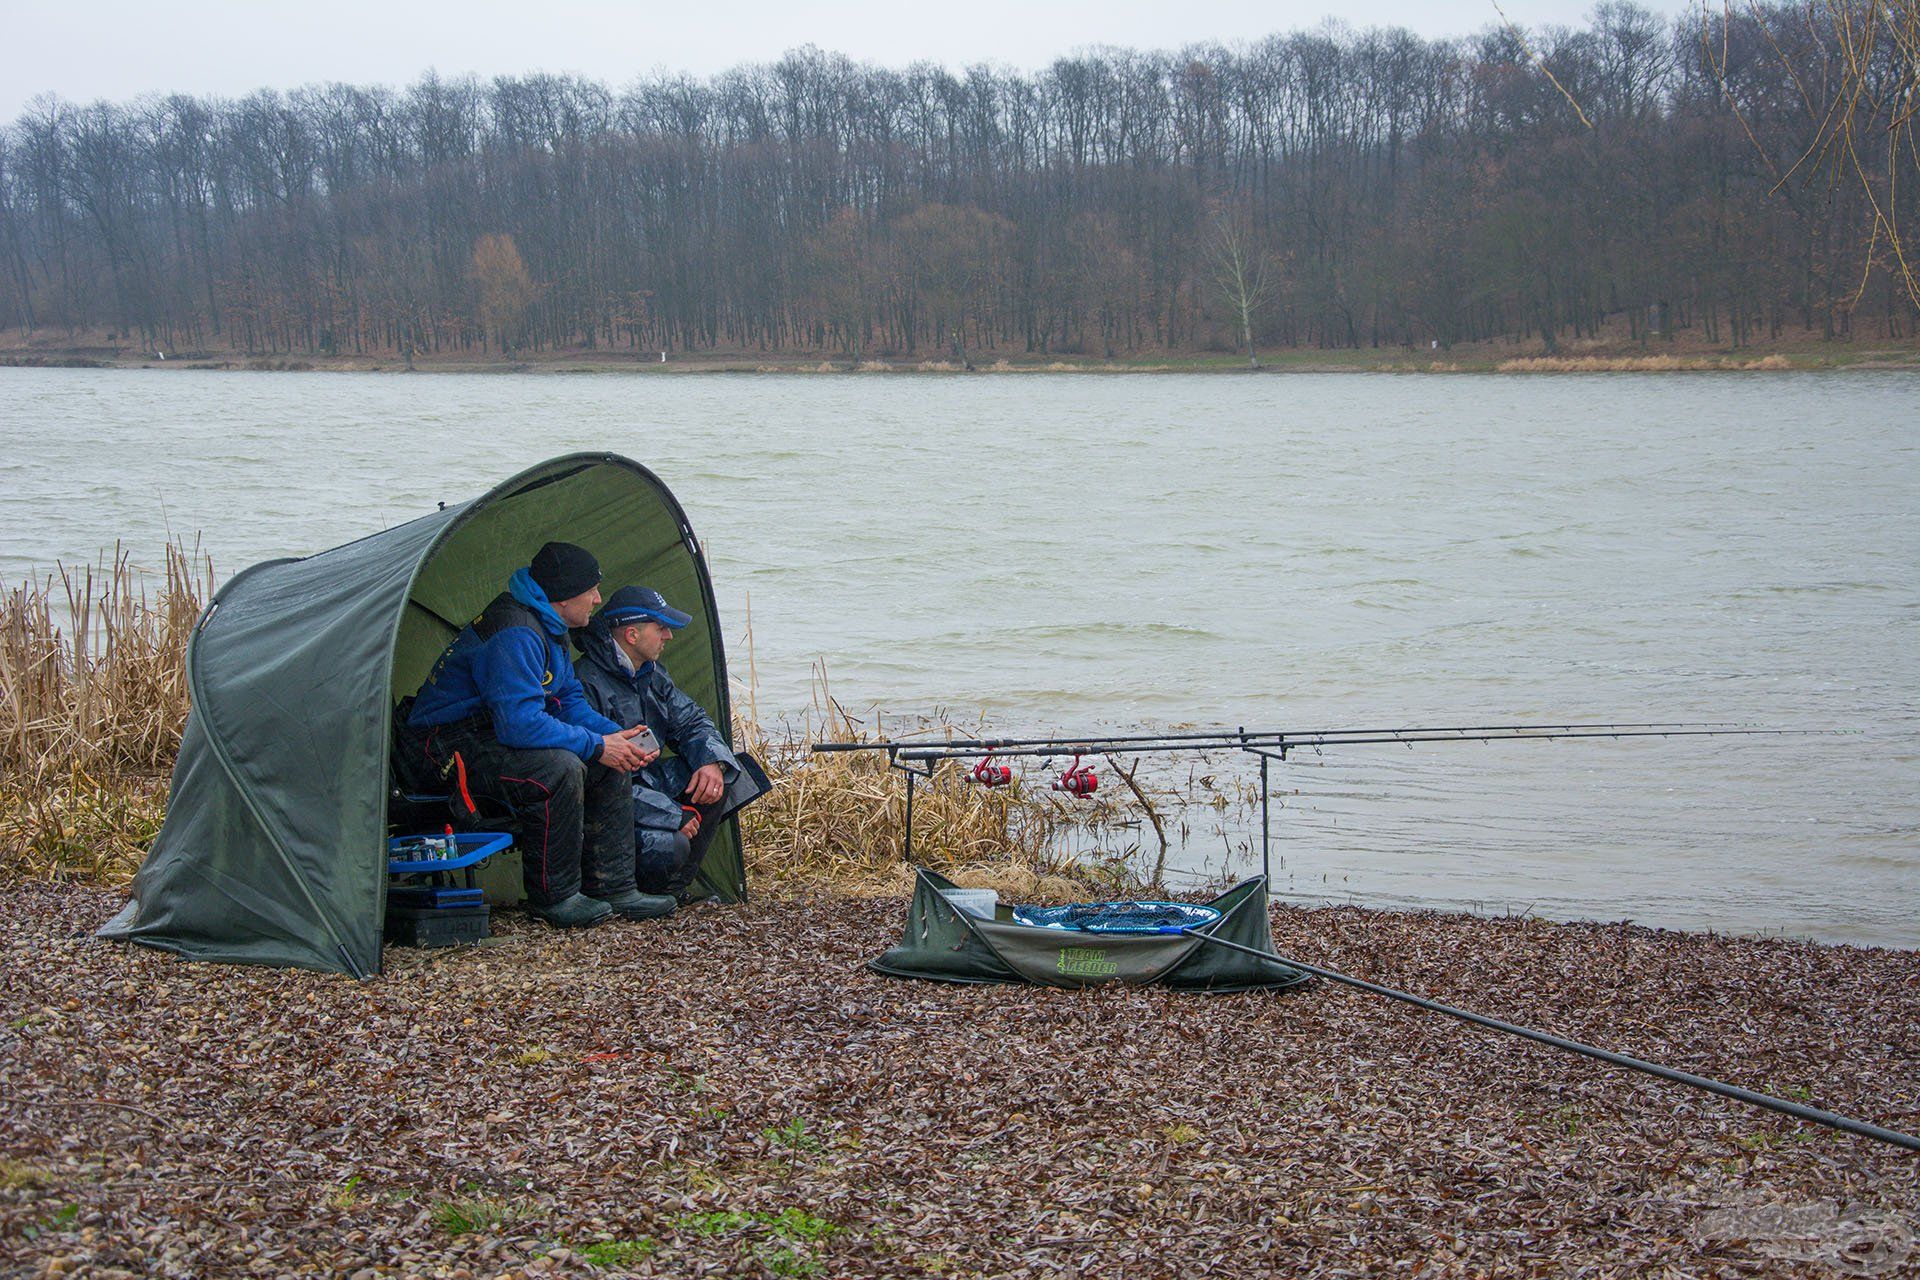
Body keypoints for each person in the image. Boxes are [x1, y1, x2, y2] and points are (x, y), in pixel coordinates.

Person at [394, 543, 677, 926]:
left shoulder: (551, 625)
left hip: (490, 735)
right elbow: (520, 723)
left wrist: (616, 737)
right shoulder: (517, 633)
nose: (597, 599)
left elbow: (569, 702)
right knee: (559, 768)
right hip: (441, 750)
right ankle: (554, 898)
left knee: (612, 762)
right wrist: (596, 745)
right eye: (590, 591)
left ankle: (613, 887)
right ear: (563, 597)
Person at [573, 586, 743, 898]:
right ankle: (639, 892)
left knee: (727, 775)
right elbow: (602, 785)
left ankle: (675, 891)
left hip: (645, 788)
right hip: (606, 809)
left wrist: (711, 762)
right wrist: (673, 814)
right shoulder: (587, 682)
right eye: (661, 628)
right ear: (632, 635)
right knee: (671, 844)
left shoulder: (651, 674)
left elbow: (692, 721)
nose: (669, 637)